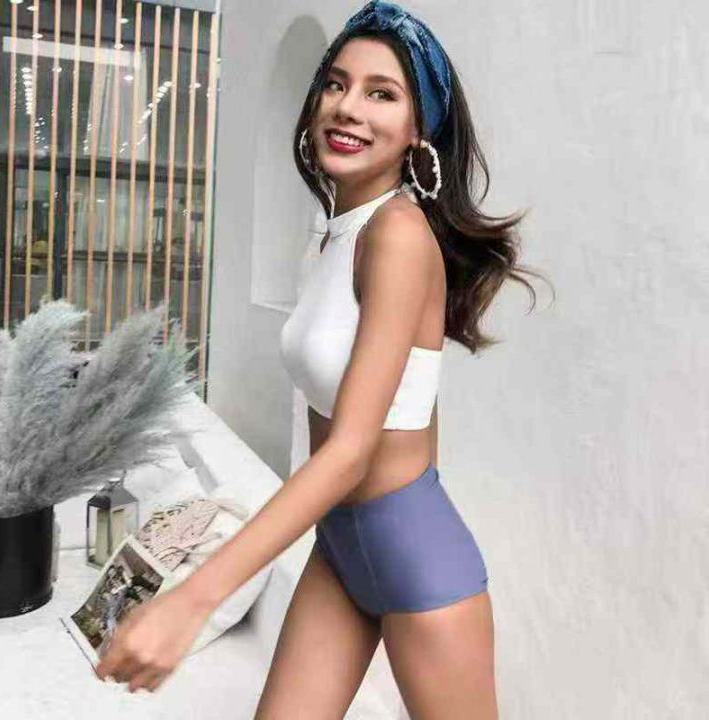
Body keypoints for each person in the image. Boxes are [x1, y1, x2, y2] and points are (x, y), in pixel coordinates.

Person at [95, 2, 549, 716]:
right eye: (337, 84)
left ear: (418, 129)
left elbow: (350, 452)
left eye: (382, 93)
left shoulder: (398, 234)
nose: (348, 107)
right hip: (341, 546)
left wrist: (193, 598)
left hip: (415, 555)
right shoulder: (337, 231)